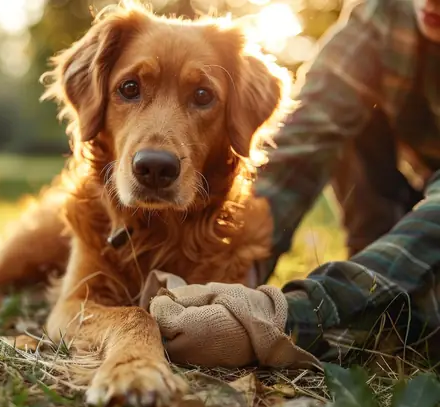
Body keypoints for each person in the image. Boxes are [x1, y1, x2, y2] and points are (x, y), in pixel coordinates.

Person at [148, 0, 440, 367]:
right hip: (408, 196)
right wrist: (241, 261)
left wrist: (283, 318)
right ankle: (380, 280)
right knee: (347, 106)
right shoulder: (386, 14)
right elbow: (305, 137)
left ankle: (382, 308)